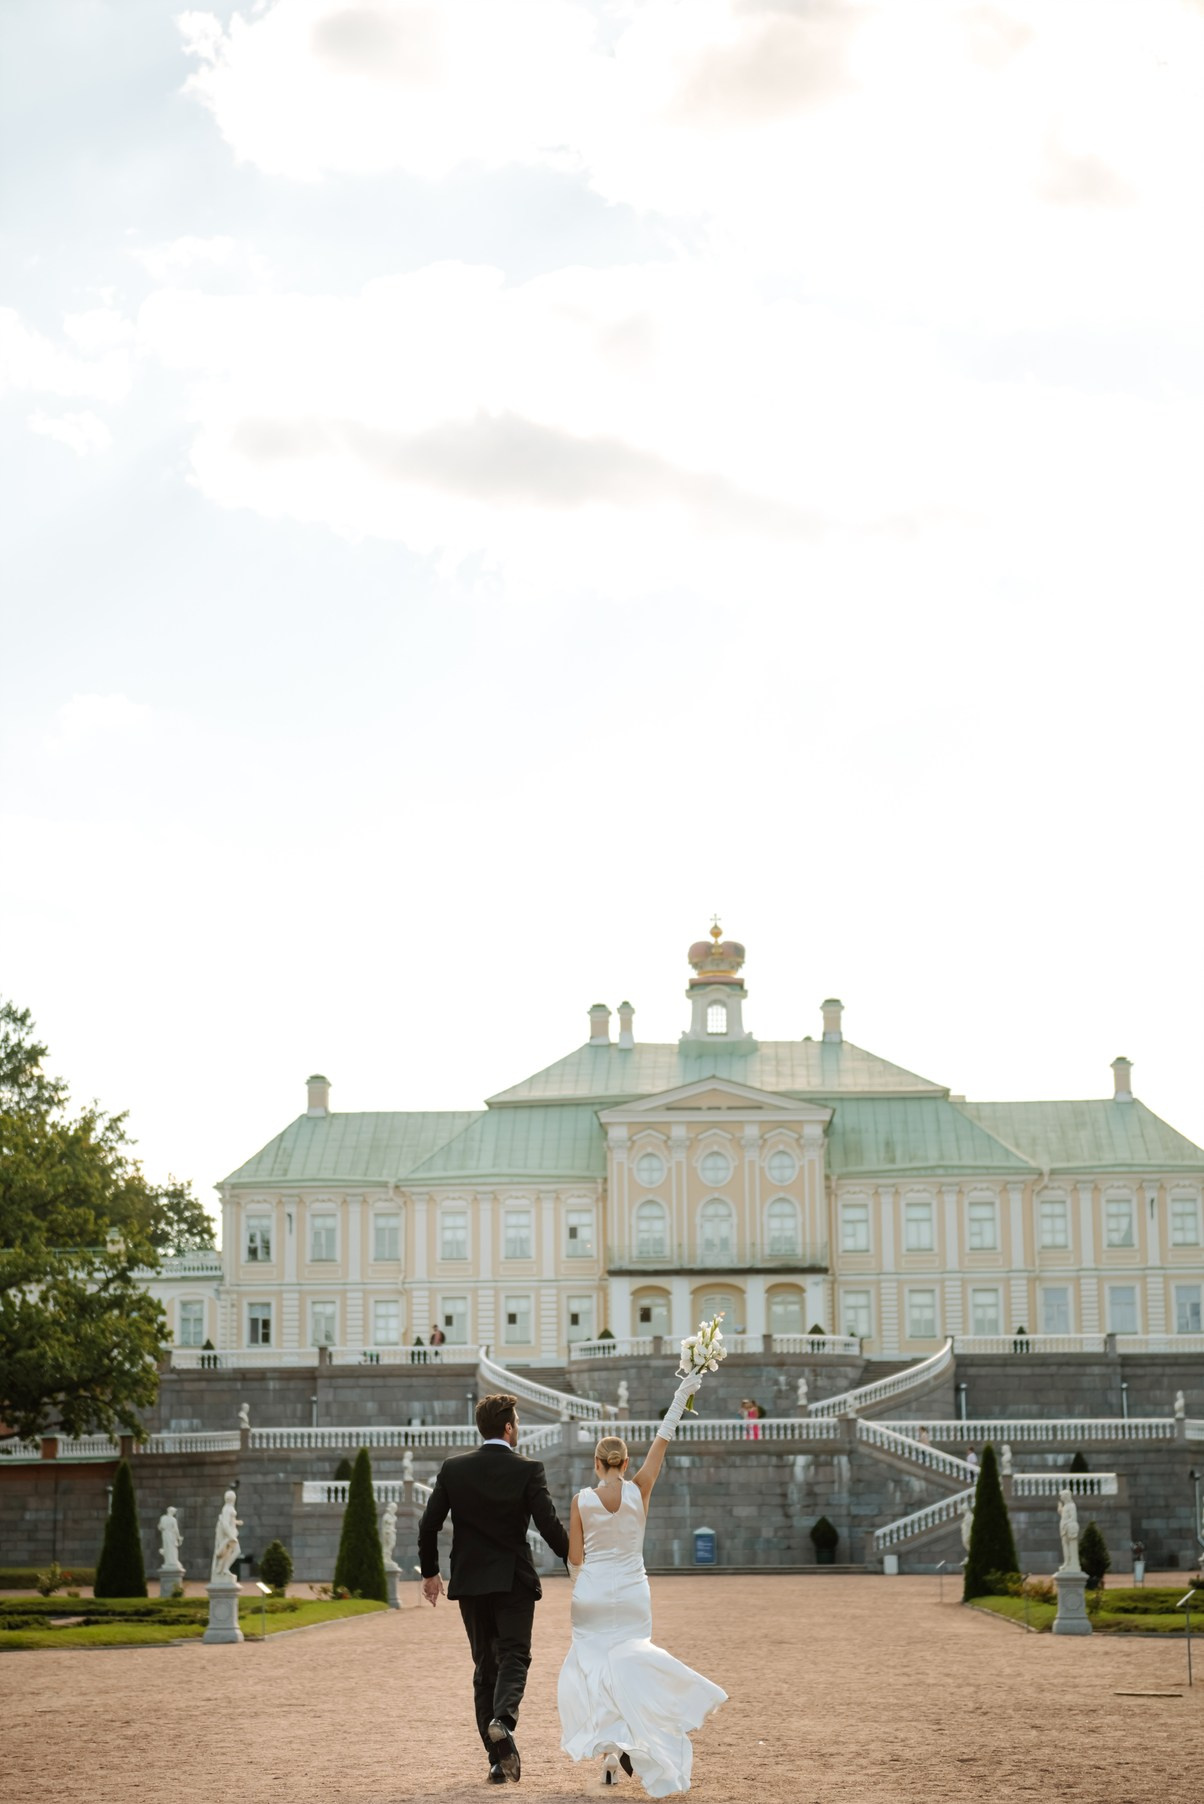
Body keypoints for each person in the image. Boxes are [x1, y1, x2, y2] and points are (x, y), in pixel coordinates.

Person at [558, 1369, 726, 1796]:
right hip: (633, 1592)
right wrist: (682, 1394)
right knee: (631, 1668)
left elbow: (575, 1557)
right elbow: (662, 1442)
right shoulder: (640, 1489)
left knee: (594, 1671)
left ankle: (611, 1749)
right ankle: (628, 1743)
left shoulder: (581, 1499)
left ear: (596, 1464)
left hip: (593, 1592)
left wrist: (581, 1578)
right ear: (626, 1463)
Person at [418, 1392, 569, 1786]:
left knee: (485, 1668)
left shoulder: (454, 1468)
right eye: (516, 1422)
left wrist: (431, 1573)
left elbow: (428, 1524)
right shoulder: (528, 1469)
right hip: (513, 1580)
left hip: (469, 1582)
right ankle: (502, 1720)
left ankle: (497, 1761)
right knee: (515, 1656)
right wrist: (577, 1561)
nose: (518, 1428)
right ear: (507, 1427)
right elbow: (548, 1525)